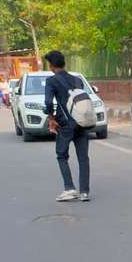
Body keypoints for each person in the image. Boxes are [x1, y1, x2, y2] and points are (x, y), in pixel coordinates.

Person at [43, 50, 90, 202]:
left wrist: (51, 118)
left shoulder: (52, 81)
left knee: (62, 155)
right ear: (64, 63)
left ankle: (70, 188)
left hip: (65, 124)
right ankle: (84, 192)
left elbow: (49, 102)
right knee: (83, 157)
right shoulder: (77, 80)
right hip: (82, 121)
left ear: (51, 66)